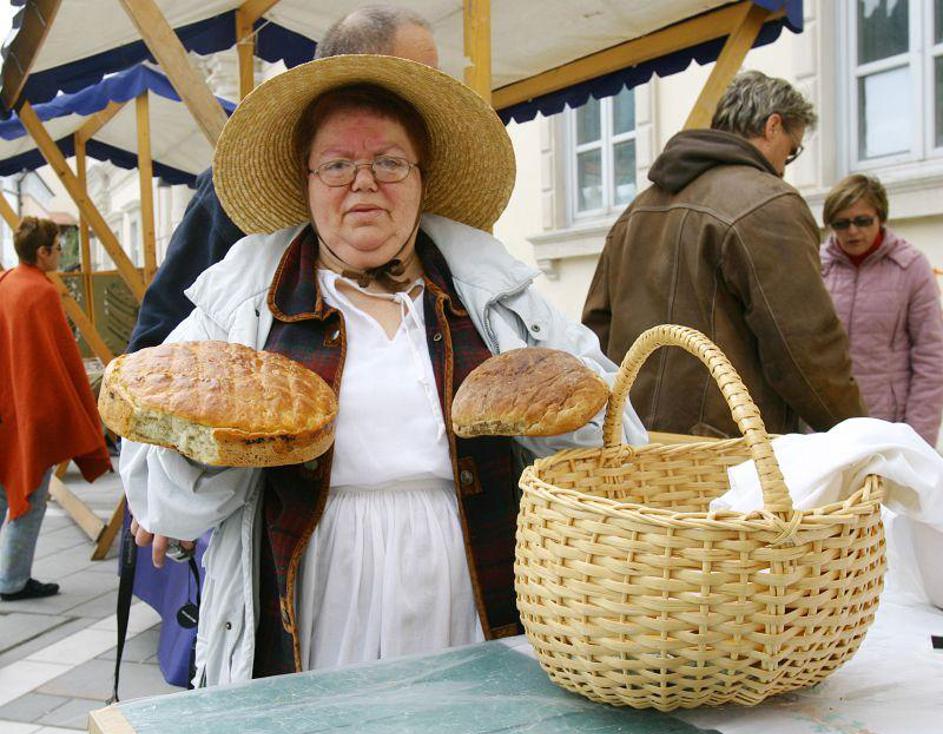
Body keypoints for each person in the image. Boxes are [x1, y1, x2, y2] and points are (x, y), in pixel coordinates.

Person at [120, 54, 646, 687]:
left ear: (422, 179)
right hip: (313, 593)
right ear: (306, 182)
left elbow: (619, 438)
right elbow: (161, 490)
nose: (363, 181)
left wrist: (561, 421)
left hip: (473, 582)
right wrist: (202, 447)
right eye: (338, 164)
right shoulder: (239, 307)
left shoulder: (496, 296)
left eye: (389, 163)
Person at [126, 5, 439, 355]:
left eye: (389, 162)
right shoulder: (232, 197)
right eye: (416, 84)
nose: (428, 101)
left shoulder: (453, 247)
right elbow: (155, 343)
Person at [582, 70, 866, 438]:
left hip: (635, 447)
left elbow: (595, 331)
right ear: (772, 126)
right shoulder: (769, 203)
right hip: (725, 460)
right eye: (791, 151)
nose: (784, 166)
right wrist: (862, 435)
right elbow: (806, 350)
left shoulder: (636, 210)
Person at [0, 217, 111, 601]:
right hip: (32, 412)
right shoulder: (41, 292)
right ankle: (12, 580)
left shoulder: (6, 283)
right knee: (28, 499)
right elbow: (58, 360)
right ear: (42, 252)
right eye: (58, 248)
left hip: (7, 407)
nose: (61, 254)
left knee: (3, 494)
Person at [820, 174, 943, 446]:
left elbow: (931, 356)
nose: (852, 231)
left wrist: (918, 438)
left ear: (881, 217)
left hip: (889, 423)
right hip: (827, 422)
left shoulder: (911, 267)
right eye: (841, 223)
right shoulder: (815, 266)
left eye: (863, 221)